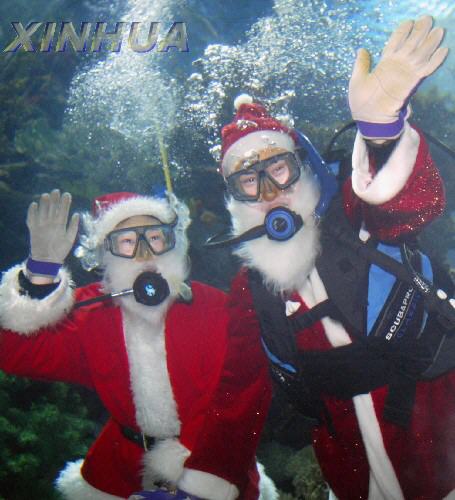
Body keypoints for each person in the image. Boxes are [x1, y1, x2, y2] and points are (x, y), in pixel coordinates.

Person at [203, 15, 455, 500]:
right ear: (233, 195)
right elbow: (239, 388)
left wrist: (382, 132)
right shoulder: (251, 287)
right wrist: (207, 479)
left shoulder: (355, 211)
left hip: (440, 440)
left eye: (278, 168)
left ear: (302, 165)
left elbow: (414, 203)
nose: (270, 192)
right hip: (349, 468)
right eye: (249, 180)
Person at [0, 189, 277, 500]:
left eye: (155, 237)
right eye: (127, 241)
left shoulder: (215, 307)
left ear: (174, 241)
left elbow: (245, 397)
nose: (144, 253)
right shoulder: (91, 312)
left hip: (215, 464)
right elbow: (15, 353)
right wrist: (40, 273)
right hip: (120, 470)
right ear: (105, 252)